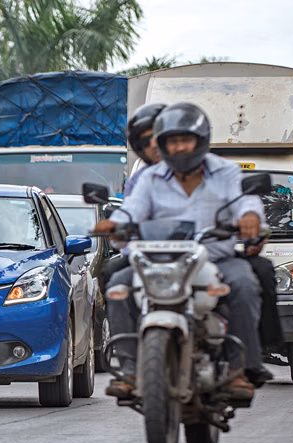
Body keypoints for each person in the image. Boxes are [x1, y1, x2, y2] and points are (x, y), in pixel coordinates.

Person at [93, 102, 274, 400]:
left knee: (243, 284)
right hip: (157, 260)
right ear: (163, 145)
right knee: (117, 287)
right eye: (172, 142)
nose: (179, 148)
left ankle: (237, 370)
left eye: (185, 140)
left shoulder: (225, 172)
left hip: (214, 258)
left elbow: (246, 202)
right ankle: (129, 369)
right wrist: (115, 225)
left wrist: (250, 218)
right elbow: (131, 211)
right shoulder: (150, 178)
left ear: (200, 141)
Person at [102, 103, 168, 287]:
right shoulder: (142, 177)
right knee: (114, 276)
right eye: (147, 140)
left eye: (161, 137)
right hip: (148, 256)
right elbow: (131, 210)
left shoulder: (211, 170)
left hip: (197, 254)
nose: (154, 145)